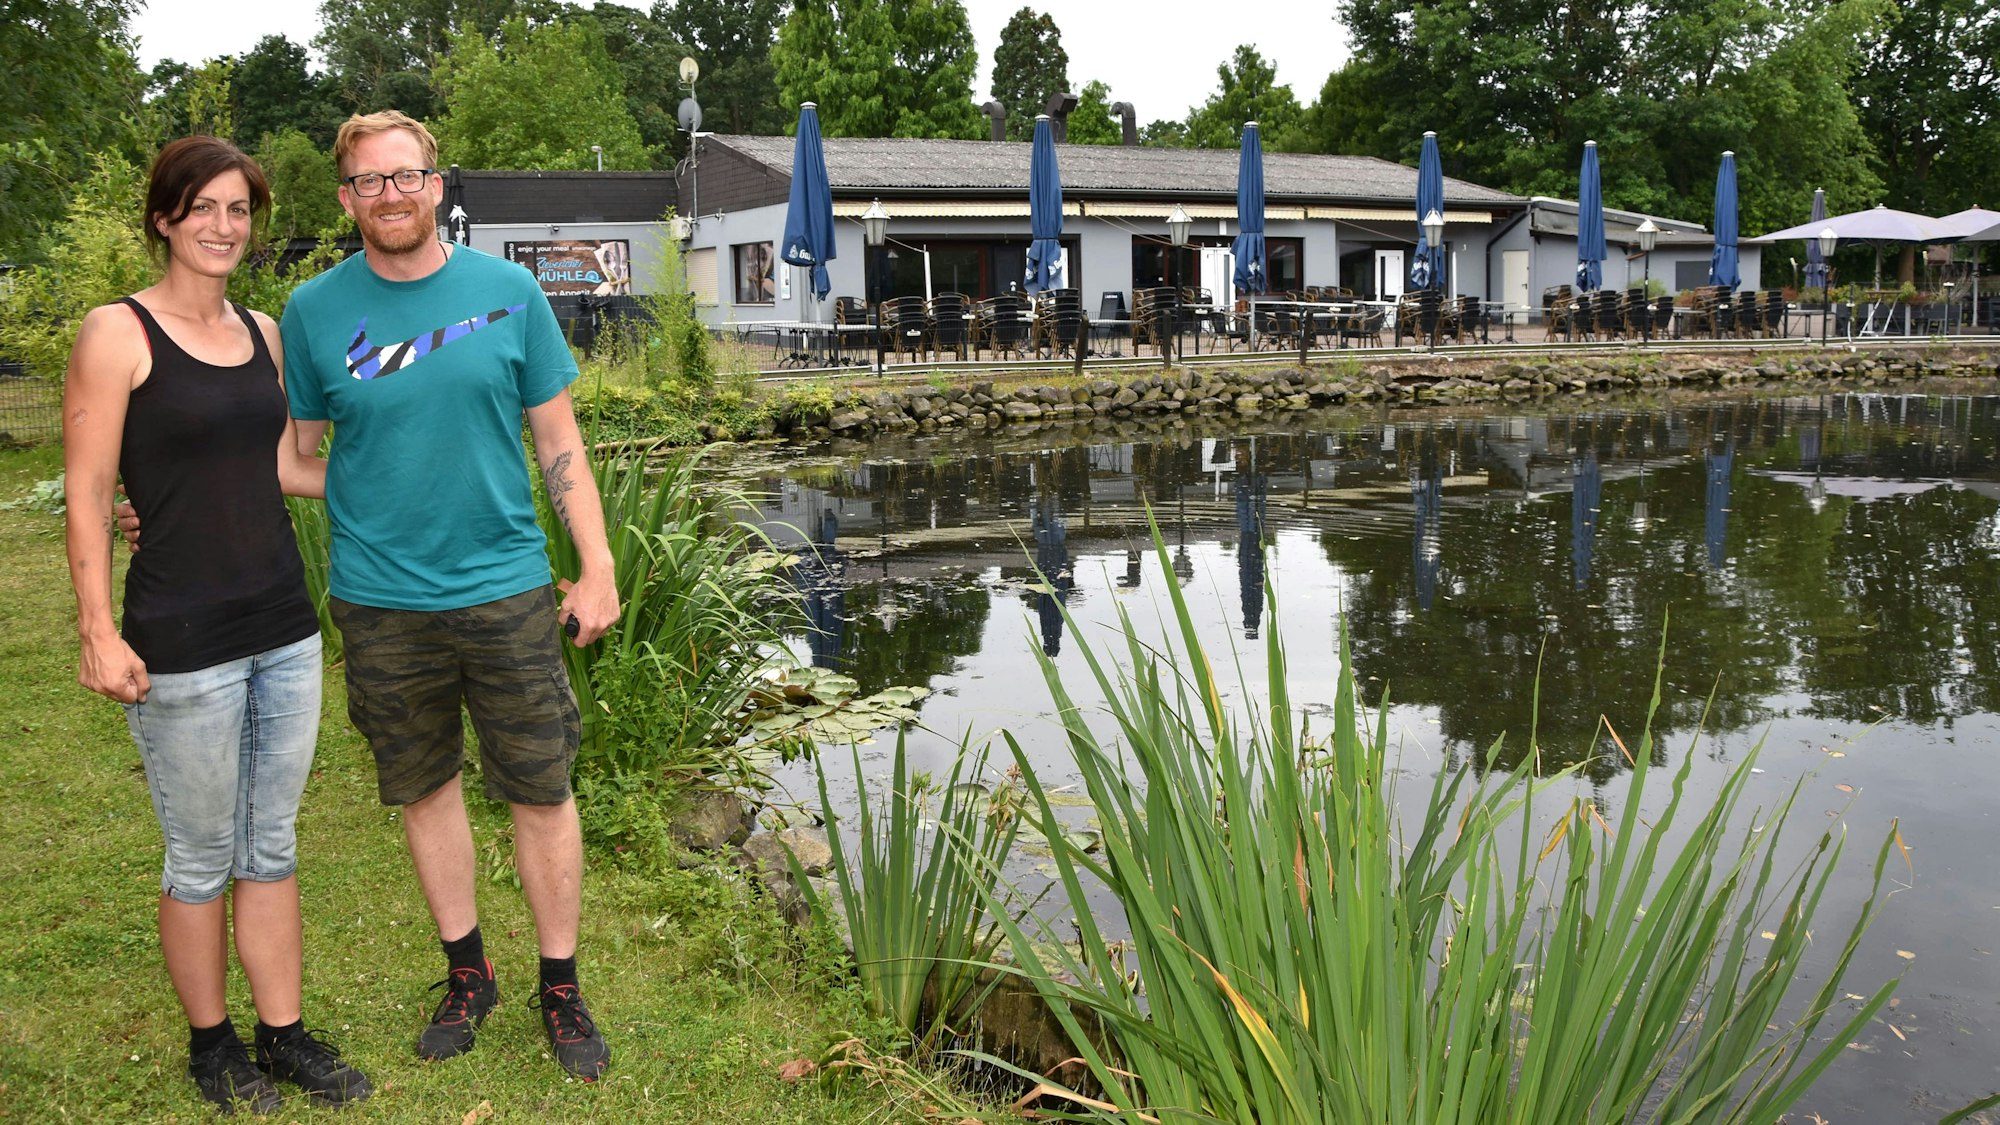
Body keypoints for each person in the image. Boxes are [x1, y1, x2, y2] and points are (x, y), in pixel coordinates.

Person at [281, 111, 619, 1081]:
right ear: (346, 200)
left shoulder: (509, 293)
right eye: (368, 183)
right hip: (380, 600)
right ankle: (468, 975)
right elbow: (297, 458)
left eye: (405, 176)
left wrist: (594, 564)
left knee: (539, 788)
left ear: (436, 184)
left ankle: (560, 984)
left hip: (506, 587)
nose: (390, 195)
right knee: (424, 787)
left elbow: (559, 444)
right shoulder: (312, 312)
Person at [64, 136, 373, 1114]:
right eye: (202, 207)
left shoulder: (265, 331)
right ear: (164, 217)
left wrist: (401, 482)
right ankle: (212, 1046)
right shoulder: (116, 334)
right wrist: (97, 629)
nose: (223, 225)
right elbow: (84, 495)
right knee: (200, 853)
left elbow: (283, 468)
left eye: (239, 209)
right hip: (181, 637)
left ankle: (280, 1036)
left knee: (270, 842)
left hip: (282, 625)